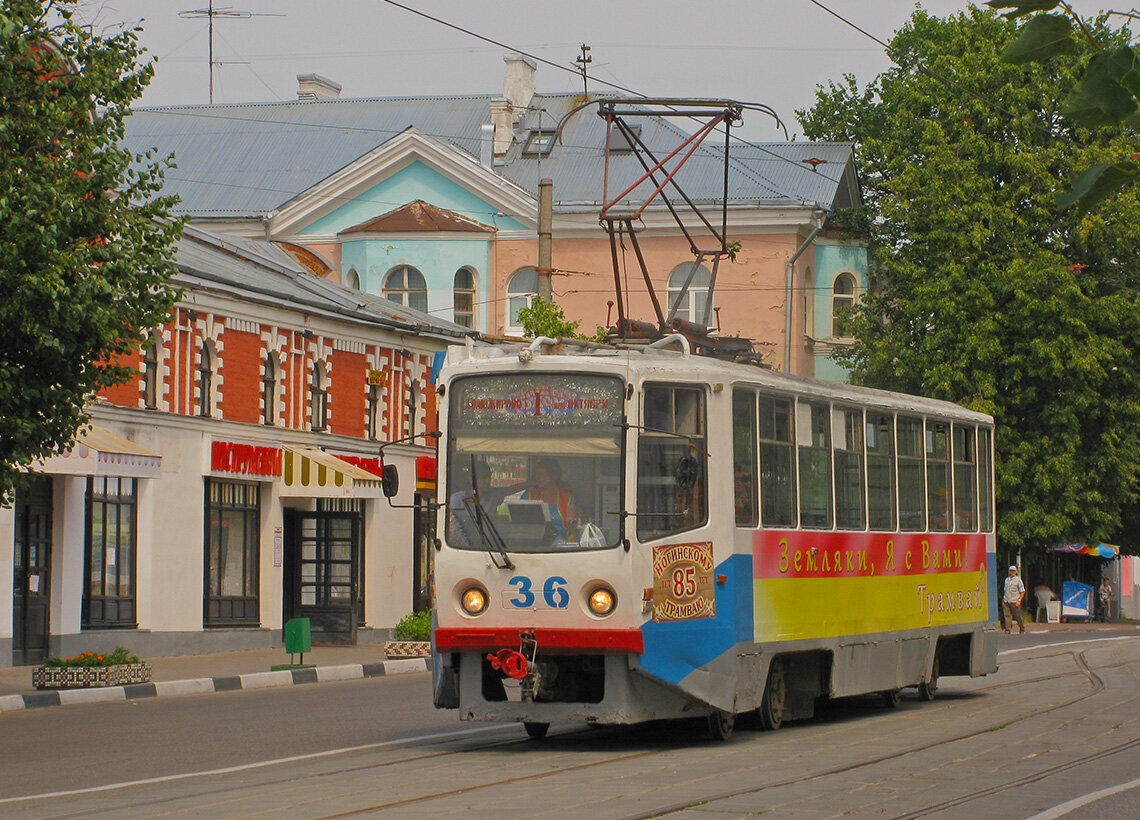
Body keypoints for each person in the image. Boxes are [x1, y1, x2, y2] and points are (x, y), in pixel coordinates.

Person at [525, 457, 580, 542]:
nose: (537, 477)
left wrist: (571, 523)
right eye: (536, 474)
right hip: (535, 543)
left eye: (540, 474)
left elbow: (572, 522)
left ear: (553, 476)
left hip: (561, 545)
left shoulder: (567, 498)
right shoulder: (529, 496)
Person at [1003, 565, 1027, 635]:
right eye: (1011, 571)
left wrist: (1019, 600)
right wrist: (1003, 600)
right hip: (1007, 600)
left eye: (1013, 571)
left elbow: (1022, 591)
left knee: (1017, 616)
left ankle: (1022, 628)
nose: (1012, 572)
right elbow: (1005, 590)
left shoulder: (1018, 580)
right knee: (1007, 616)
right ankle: (1008, 630)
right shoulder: (1006, 580)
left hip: (1015, 601)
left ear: (1016, 572)